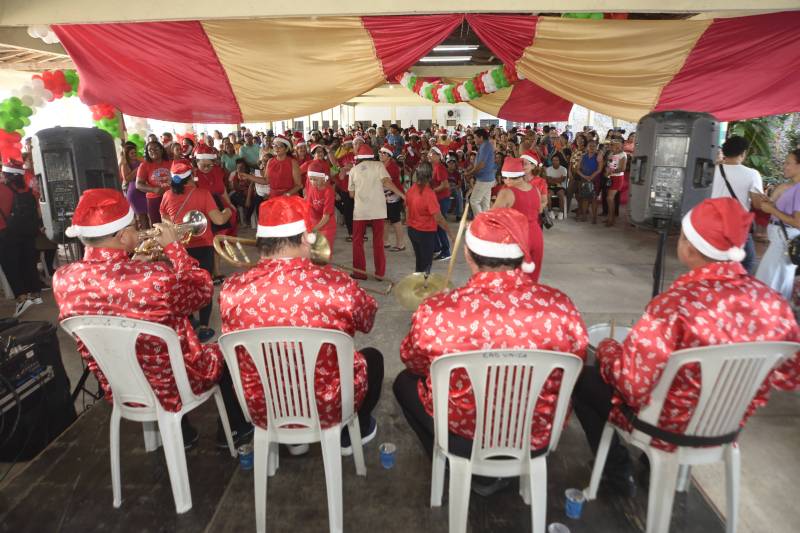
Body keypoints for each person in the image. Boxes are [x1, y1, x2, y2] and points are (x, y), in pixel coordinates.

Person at [572, 197, 800, 498]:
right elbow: (789, 375)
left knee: (584, 381)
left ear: (689, 248)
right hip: (725, 426)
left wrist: (608, 350)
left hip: (666, 426)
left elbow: (631, 384)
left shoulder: (673, 306)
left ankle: (617, 473)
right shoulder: (774, 304)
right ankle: (652, 471)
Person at [394, 208, 587, 494]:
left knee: (404, 382)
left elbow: (413, 360)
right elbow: (577, 363)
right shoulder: (561, 307)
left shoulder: (436, 311)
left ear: (468, 255)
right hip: (534, 435)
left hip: (462, 436)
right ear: (522, 255)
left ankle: (453, 465)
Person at [53, 188, 252, 448]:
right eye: (135, 227)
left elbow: (111, 290)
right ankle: (235, 430)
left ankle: (183, 435)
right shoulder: (154, 277)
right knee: (226, 349)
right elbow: (202, 293)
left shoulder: (62, 279)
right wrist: (174, 249)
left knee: (155, 347)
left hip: (120, 385)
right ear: (123, 236)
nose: (139, 231)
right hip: (173, 383)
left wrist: (133, 261)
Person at [219, 196, 383, 455]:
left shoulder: (231, 290)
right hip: (327, 405)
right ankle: (353, 432)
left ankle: (292, 439)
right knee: (373, 358)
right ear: (306, 237)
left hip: (264, 406)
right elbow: (367, 320)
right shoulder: (338, 286)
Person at [160, 161, 232, 343]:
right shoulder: (202, 193)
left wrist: (176, 228)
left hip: (179, 249)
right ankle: (205, 327)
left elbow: (164, 217)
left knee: (184, 283)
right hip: (203, 245)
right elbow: (219, 219)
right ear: (191, 176)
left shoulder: (167, 195)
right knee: (204, 285)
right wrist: (228, 211)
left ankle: (190, 320)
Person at [348, 144, 405, 281]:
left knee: (357, 242)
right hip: (378, 210)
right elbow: (387, 182)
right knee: (378, 242)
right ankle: (379, 274)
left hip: (361, 211)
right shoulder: (379, 166)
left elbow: (351, 194)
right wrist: (403, 195)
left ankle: (359, 273)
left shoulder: (354, 170)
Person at [711, 135, 764, 274]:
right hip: (736, 225)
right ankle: (735, 284)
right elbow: (757, 204)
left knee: (716, 260)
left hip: (713, 222)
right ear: (743, 153)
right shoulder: (752, 174)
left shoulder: (712, 170)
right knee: (748, 262)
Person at [755, 149, 800, 299]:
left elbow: (798, 222)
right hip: (781, 240)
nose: (784, 166)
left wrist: (771, 209)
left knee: (768, 282)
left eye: (788, 163)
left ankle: (768, 310)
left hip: (784, 241)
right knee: (775, 280)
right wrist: (769, 204)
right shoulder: (791, 186)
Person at [0, 160, 42, 317]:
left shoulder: (2, 189)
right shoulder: (29, 190)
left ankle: (22, 299)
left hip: (6, 231)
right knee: (28, 261)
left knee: (11, 265)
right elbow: (37, 212)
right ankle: (35, 294)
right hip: (28, 231)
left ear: (6, 174)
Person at [492, 157, 544, 282]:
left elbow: (492, 216)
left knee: (512, 281)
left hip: (517, 237)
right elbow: (540, 210)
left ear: (508, 177)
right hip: (536, 236)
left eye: (504, 178)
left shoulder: (506, 192)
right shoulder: (535, 189)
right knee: (531, 279)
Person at [404, 162, 453, 273]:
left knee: (420, 261)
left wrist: (409, 224)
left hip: (412, 230)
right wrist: (451, 234)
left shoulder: (411, 189)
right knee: (426, 264)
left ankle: (419, 279)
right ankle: (423, 282)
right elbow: (439, 218)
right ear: (430, 177)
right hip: (425, 232)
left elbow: (407, 210)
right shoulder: (429, 194)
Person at [305, 160, 337, 255]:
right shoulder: (312, 188)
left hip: (327, 225)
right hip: (314, 222)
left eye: (315, 179)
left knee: (324, 254)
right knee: (313, 253)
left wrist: (314, 229)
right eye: (311, 179)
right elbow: (308, 206)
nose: (312, 182)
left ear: (324, 178)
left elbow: (326, 216)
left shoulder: (329, 191)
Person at [135, 141, 172, 225]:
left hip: (171, 197)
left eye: (156, 148)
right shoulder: (144, 165)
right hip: (154, 199)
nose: (153, 151)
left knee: (172, 223)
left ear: (161, 150)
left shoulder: (170, 162)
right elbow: (138, 184)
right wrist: (154, 189)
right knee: (157, 225)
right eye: (150, 150)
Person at [379, 144, 405, 252]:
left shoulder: (392, 167)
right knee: (385, 220)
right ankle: (385, 241)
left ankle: (401, 244)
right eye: (380, 152)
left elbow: (387, 183)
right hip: (385, 197)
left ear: (389, 156)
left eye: (384, 153)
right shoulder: (381, 165)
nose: (381, 154)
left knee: (396, 221)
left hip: (394, 197)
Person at [465, 128, 496, 215]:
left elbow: (481, 165)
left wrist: (470, 173)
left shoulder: (485, 146)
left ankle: (480, 221)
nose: (474, 140)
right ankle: (485, 221)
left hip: (484, 179)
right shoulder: (486, 145)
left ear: (481, 137)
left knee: (474, 201)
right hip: (487, 178)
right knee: (484, 204)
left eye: (475, 138)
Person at [429, 146, 452, 261]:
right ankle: (437, 248)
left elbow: (445, 185)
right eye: (430, 153)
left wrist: (432, 191)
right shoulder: (434, 167)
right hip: (437, 199)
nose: (430, 155)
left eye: (432, 153)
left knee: (440, 224)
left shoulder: (439, 168)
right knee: (435, 224)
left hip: (442, 199)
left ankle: (446, 251)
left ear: (439, 156)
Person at [119, 142, 147, 230]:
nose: (134, 154)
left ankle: (150, 234)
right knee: (140, 216)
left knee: (147, 215)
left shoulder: (140, 160)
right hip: (134, 192)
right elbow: (127, 179)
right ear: (127, 155)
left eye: (135, 152)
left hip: (144, 190)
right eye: (132, 153)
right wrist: (138, 169)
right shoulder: (125, 165)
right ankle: (143, 235)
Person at [576, 140, 603, 223]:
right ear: (587, 147)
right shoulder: (583, 156)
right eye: (590, 146)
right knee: (585, 198)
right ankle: (584, 216)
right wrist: (585, 176)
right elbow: (577, 169)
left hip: (595, 180)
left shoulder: (599, 156)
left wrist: (591, 177)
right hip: (584, 179)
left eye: (594, 146)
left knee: (594, 199)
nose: (592, 147)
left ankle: (594, 217)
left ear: (596, 147)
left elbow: (599, 169)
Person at [603, 137, 627, 227]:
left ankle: (611, 219)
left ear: (620, 146)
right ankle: (610, 217)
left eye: (613, 145)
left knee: (610, 198)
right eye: (612, 145)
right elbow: (609, 164)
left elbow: (622, 169)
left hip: (617, 178)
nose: (611, 146)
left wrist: (611, 172)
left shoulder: (623, 154)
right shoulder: (611, 153)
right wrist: (607, 171)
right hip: (610, 177)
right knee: (609, 199)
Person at [545, 153, 568, 219]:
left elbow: (562, 180)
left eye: (556, 160)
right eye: (553, 160)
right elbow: (548, 180)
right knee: (548, 195)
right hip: (551, 187)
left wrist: (552, 179)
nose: (555, 162)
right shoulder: (548, 169)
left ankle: (561, 212)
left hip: (560, 187)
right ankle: (550, 211)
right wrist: (558, 179)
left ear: (559, 161)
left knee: (561, 195)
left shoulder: (563, 169)